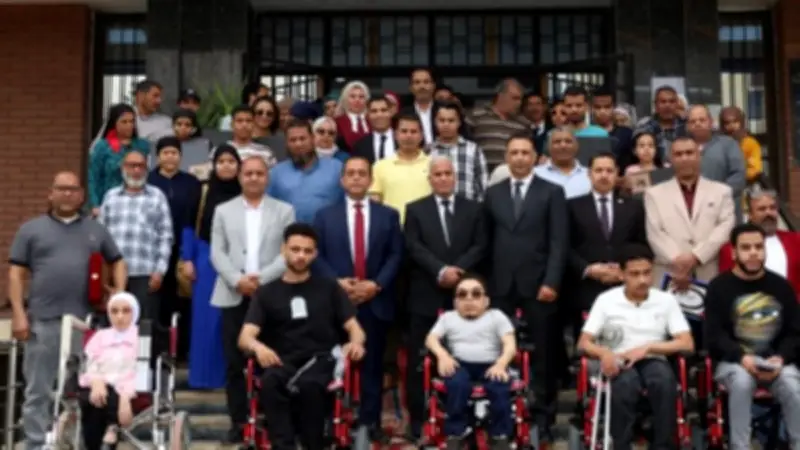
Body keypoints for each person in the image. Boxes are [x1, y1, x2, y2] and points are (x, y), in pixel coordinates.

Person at [8, 171, 126, 450]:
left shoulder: (96, 230)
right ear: (50, 193)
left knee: (86, 390)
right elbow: (16, 273)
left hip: (85, 325)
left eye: (72, 189)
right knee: (38, 389)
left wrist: (119, 293)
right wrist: (18, 313)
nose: (67, 193)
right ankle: (36, 443)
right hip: (43, 321)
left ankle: (80, 442)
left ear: (81, 195)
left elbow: (117, 260)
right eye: (61, 188)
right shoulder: (30, 230)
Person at [238, 223, 367, 450]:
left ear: (315, 254)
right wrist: (258, 348)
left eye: (307, 251)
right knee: (270, 382)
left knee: (310, 385)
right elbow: (245, 337)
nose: (301, 256)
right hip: (281, 360)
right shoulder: (266, 293)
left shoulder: (329, 288)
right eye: (295, 249)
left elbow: (355, 328)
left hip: (321, 360)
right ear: (283, 250)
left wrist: (356, 343)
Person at [483, 132, 568, 441]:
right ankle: (501, 416)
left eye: (525, 153)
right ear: (506, 157)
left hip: (539, 286)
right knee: (500, 353)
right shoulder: (493, 193)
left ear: (535, 158)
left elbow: (559, 242)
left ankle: (543, 419)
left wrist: (551, 281)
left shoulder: (552, 191)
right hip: (501, 286)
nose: (519, 158)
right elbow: (486, 241)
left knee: (543, 355)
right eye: (514, 153)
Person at [312, 156, 404, 439]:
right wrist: (337, 283)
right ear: (342, 180)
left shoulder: (388, 215)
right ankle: (330, 421)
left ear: (370, 180)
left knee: (372, 366)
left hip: (374, 302)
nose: (355, 178)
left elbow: (395, 255)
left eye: (361, 173)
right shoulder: (324, 216)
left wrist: (376, 285)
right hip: (336, 303)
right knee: (331, 365)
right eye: (350, 173)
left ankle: (369, 423)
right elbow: (316, 256)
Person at [209, 154, 296, 443]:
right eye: (248, 173)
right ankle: (238, 422)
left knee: (273, 361)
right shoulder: (223, 210)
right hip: (233, 294)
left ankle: (272, 420)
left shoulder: (284, 210)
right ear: (239, 177)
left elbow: (288, 252)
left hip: (271, 296)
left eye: (259, 173)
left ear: (267, 178)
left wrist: (261, 280)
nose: (254, 178)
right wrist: (237, 280)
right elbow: (217, 252)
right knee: (235, 364)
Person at [578, 244, 694, 450]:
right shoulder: (606, 300)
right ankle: (621, 445)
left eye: (647, 273)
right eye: (635, 274)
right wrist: (604, 353)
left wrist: (648, 348)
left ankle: (663, 445)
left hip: (654, 357)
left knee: (663, 381)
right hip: (619, 358)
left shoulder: (666, 300)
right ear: (622, 274)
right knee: (625, 384)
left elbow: (687, 343)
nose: (642, 280)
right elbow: (583, 342)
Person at [403, 155, 487, 438]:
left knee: (465, 357)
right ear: (430, 179)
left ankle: (467, 421)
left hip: (466, 298)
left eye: (447, 173)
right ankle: (418, 421)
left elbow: (480, 245)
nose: (442, 178)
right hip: (426, 295)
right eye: (437, 174)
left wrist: (457, 271)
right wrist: (440, 270)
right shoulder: (415, 209)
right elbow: (413, 246)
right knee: (420, 362)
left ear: (455, 177)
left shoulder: (474, 209)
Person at [705, 223, 800, 450]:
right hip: (734, 362)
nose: (754, 253)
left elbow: (795, 332)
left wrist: (781, 358)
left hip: (775, 362)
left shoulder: (781, 286)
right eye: (746, 248)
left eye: (759, 247)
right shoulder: (718, 287)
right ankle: (741, 446)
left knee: (792, 385)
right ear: (734, 252)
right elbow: (714, 335)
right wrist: (741, 357)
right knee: (742, 382)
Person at [425, 275, 516, 450]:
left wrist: (501, 363)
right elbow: (431, 339)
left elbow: (510, 345)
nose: (469, 299)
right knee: (457, 384)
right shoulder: (448, 318)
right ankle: (456, 432)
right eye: (462, 294)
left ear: (486, 300)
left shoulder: (496, 316)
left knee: (499, 386)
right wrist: (443, 356)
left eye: (476, 294)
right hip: (459, 364)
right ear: (455, 302)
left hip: (492, 364)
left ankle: (500, 434)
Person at [180, 145, 242, 389]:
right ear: (214, 165)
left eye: (231, 161)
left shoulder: (245, 191)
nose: (226, 165)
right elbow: (188, 225)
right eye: (221, 161)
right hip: (206, 258)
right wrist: (188, 258)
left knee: (234, 318)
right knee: (206, 318)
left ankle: (233, 379)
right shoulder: (203, 190)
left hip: (238, 258)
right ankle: (204, 378)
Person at [567, 152, 647, 324]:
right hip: (586, 288)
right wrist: (588, 269)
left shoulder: (633, 206)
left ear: (617, 173)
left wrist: (623, 269)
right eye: (599, 170)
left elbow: (642, 244)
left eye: (609, 171)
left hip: (624, 287)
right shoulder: (572, 206)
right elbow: (564, 246)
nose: (604, 175)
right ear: (589, 174)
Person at [644, 137, 735, 289]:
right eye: (678, 154)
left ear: (699, 156)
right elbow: (655, 233)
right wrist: (677, 260)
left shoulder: (721, 192)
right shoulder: (654, 194)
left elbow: (725, 228)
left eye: (689, 153)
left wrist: (696, 256)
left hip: (709, 272)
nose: (684, 158)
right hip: (669, 273)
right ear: (671, 159)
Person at [99, 151, 173, 323]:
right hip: (113, 274)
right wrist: (103, 275)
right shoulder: (110, 196)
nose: (136, 170)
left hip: (145, 274)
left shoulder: (157, 196)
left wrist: (159, 271)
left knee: (144, 327)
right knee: (113, 325)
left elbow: (166, 236)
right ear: (123, 168)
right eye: (132, 166)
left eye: (141, 166)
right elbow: (100, 235)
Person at [78, 292, 140, 450]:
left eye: (126, 311)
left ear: (135, 312)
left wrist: (125, 396)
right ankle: (96, 442)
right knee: (92, 398)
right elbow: (90, 363)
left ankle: (112, 427)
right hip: (98, 383)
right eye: (114, 311)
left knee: (111, 396)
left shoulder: (141, 337)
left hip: (129, 385)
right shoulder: (100, 336)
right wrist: (96, 381)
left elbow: (140, 370)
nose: (120, 316)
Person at [719, 188, 800, 294]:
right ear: (750, 214)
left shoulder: (796, 241)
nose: (768, 213)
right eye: (762, 209)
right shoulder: (731, 248)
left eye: (772, 208)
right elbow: (727, 286)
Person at [269, 120, 344, 223]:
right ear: (286, 143)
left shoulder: (336, 168)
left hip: (328, 230)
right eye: (293, 140)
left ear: (313, 139)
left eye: (302, 138)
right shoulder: (276, 173)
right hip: (289, 231)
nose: (298, 144)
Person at [88, 103, 150, 215]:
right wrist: (95, 205)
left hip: (138, 203)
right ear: (114, 123)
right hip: (109, 204)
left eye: (132, 121)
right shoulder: (102, 147)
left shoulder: (143, 146)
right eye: (124, 122)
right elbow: (93, 177)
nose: (129, 125)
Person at [334, 80, 371, 151]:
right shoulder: (337, 122)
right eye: (352, 96)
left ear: (366, 100)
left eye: (361, 97)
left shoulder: (372, 120)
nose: (357, 100)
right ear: (346, 99)